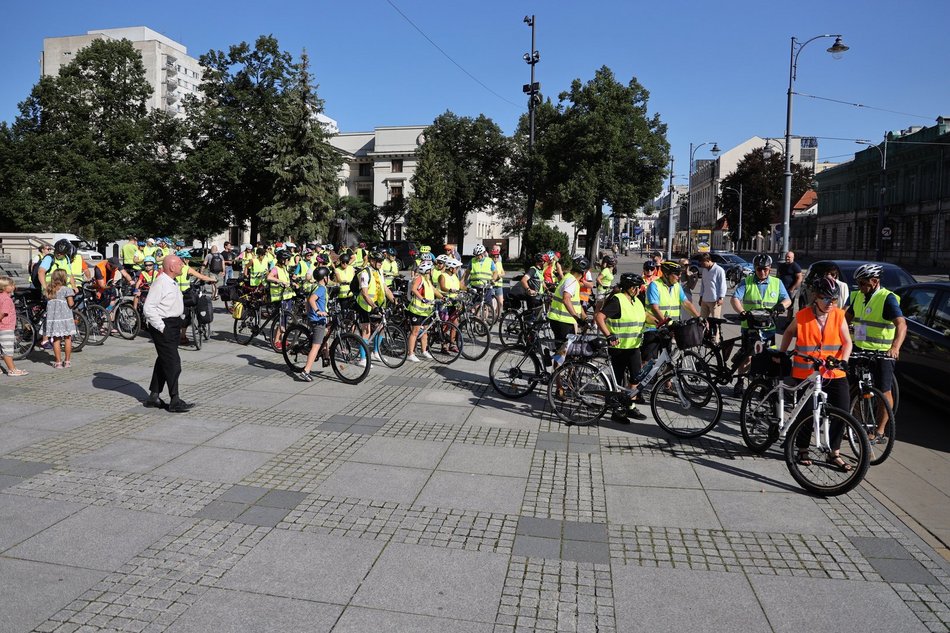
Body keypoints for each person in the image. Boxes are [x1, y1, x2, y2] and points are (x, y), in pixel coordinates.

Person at [780, 277, 853, 471]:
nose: (830, 303)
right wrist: (782, 354)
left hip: (834, 371)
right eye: (826, 299)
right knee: (808, 412)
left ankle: (834, 452)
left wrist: (843, 361)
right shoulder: (803, 315)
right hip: (806, 372)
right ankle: (802, 447)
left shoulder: (838, 315)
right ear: (816, 298)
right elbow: (788, 332)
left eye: (834, 299)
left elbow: (847, 342)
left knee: (843, 410)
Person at [846, 263, 907, 443]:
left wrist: (895, 347)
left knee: (884, 390)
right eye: (858, 283)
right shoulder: (857, 296)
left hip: (882, 352)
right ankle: (853, 422)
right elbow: (844, 319)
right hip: (859, 348)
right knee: (850, 386)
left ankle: (880, 431)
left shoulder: (887, 298)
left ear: (874, 281)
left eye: (863, 283)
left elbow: (902, 325)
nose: (860, 287)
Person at [730, 254, 791, 394]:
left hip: (768, 327)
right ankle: (740, 382)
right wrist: (741, 312)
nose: (762, 272)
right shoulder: (747, 281)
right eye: (759, 269)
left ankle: (766, 384)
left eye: (765, 269)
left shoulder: (777, 283)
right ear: (755, 269)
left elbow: (787, 299)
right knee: (747, 356)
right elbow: (735, 299)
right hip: (750, 326)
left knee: (769, 356)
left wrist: (782, 306)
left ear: (770, 269)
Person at [594, 272, 648, 422]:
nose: (639, 290)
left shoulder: (635, 300)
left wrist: (661, 322)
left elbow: (644, 315)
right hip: (619, 348)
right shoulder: (618, 300)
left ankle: (629, 406)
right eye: (638, 287)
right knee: (617, 381)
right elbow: (599, 317)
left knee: (635, 377)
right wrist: (609, 335)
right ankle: (616, 411)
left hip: (634, 346)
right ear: (631, 288)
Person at [142, 254, 193, 412]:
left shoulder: (171, 281)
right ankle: (175, 400)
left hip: (173, 324)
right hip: (164, 326)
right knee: (173, 363)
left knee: (163, 360)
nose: (182, 266)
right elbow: (148, 308)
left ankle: (153, 397)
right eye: (179, 264)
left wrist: (182, 316)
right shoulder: (161, 283)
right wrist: (162, 327)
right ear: (171, 267)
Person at [642, 261, 701, 361]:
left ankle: (664, 377)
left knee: (668, 362)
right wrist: (668, 324)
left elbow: (686, 303)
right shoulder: (654, 286)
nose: (679, 276)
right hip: (653, 329)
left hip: (669, 330)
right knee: (648, 362)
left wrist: (699, 317)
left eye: (680, 274)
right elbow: (654, 308)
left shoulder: (677, 286)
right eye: (676, 274)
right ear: (666, 274)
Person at [547, 257, 589, 363]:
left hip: (564, 321)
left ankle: (560, 376)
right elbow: (566, 300)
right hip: (561, 321)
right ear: (584, 273)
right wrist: (577, 318)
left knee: (567, 353)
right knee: (563, 353)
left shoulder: (571, 279)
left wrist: (585, 317)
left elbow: (576, 304)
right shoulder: (571, 281)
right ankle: (556, 377)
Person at [356, 251, 395, 364]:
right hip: (364, 305)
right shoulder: (364, 273)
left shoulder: (379, 271)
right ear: (372, 261)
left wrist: (394, 300)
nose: (381, 263)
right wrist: (373, 306)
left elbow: (385, 288)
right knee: (366, 331)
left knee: (380, 328)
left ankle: (376, 353)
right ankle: (362, 359)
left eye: (382, 261)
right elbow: (364, 293)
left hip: (376, 305)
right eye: (379, 261)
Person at [296, 266, 331, 382]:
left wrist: (308, 312)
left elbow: (307, 301)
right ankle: (306, 371)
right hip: (318, 320)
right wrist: (318, 311)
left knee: (327, 334)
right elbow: (311, 300)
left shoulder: (315, 286)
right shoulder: (321, 288)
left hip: (314, 318)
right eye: (328, 276)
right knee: (316, 346)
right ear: (325, 278)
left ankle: (326, 355)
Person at [406, 260, 439, 362]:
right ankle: (410, 353)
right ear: (427, 271)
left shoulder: (427, 280)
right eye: (431, 270)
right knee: (415, 332)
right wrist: (422, 298)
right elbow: (414, 289)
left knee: (425, 331)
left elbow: (434, 290)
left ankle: (424, 351)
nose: (433, 271)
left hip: (425, 311)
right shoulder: (419, 278)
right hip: (417, 310)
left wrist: (443, 297)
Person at [43, 269, 77, 369]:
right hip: (65, 318)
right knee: (67, 338)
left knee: (56, 339)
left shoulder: (49, 289)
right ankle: (67, 362)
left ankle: (58, 362)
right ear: (64, 278)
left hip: (53, 319)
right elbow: (70, 304)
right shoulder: (67, 289)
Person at [266, 250, 297, 351]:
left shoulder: (284, 268)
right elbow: (269, 277)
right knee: (281, 321)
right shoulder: (276, 268)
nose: (289, 261)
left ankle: (281, 339)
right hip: (279, 297)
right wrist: (279, 281)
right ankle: (276, 341)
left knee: (284, 320)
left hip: (287, 297)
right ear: (283, 260)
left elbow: (286, 281)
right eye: (288, 259)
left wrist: (292, 283)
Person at [0, 276, 28, 376]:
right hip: (6, 327)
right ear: (4, 287)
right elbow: (2, 313)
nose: (14, 286)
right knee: (7, 350)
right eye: (11, 285)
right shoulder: (7, 300)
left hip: (2, 327)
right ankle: (12, 370)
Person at [697, 253, 727, 341]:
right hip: (705, 299)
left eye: (702, 263)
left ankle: (715, 340)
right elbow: (703, 284)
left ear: (708, 260)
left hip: (715, 300)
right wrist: (701, 296)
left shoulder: (719, 270)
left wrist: (721, 297)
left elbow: (723, 285)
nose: (701, 265)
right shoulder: (705, 270)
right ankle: (702, 338)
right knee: (702, 321)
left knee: (715, 322)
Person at [777, 251, 803, 316]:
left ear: (793, 258)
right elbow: (778, 276)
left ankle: (788, 321)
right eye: (786, 257)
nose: (787, 258)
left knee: (790, 306)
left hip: (791, 289)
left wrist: (792, 288)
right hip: (782, 288)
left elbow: (799, 278)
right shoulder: (782, 265)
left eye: (789, 257)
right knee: (779, 303)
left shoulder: (795, 266)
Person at [491, 246, 506, 316]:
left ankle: (498, 316)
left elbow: (503, 273)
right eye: (494, 256)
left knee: (500, 302)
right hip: (492, 285)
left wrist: (499, 275)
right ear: (492, 256)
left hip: (499, 286)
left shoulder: (499, 263)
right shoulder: (490, 263)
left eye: (497, 256)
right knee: (493, 303)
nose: (496, 258)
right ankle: (494, 317)